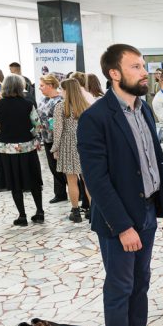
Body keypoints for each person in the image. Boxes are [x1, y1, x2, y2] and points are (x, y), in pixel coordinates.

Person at [77, 44, 163, 326]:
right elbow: (97, 180)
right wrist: (122, 227)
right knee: (120, 288)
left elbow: (154, 159)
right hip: (118, 221)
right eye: (135, 67)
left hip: (147, 210)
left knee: (141, 281)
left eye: (143, 66)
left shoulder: (143, 108)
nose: (144, 72)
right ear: (114, 73)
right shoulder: (95, 118)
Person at [0, 75, 44, 226]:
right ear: (20, 87)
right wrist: (30, 135)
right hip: (28, 148)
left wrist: (3, 138)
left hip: (7, 150)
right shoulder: (28, 104)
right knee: (33, 180)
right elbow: (37, 125)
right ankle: (40, 212)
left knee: (15, 183)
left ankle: (22, 216)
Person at [52, 79, 90, 223]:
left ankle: (75, 212)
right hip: (85, 143)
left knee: (72, 180)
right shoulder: (86, 105)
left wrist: (55, 148)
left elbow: (58, 130)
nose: (60, 91)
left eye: (62, 89)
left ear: (66, 90)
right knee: (88, 180)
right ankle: (93, 211)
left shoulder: (61, 107)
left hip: (68, 144)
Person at [37, 75, 67, 204]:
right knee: (53, 167)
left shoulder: (60, 100)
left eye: (42, 85)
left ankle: (79, 192)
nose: (39, 88)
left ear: (50, 85)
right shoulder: (43, 99)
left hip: (58, 139)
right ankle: (60, 193)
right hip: (47, 138)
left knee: (64, 168)